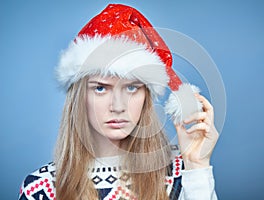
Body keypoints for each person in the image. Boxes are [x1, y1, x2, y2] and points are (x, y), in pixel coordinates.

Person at [18, 4, 219, 200]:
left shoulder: (181, 177)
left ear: (146, 98)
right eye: (101, 88)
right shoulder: (41, 187)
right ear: (79, 99)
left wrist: (196, 165)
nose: (118, 106)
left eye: (132, 88)